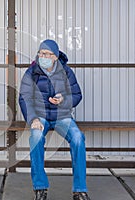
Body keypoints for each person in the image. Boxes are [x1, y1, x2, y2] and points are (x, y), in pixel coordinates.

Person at [19, 39, 91, 200]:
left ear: (56, 56)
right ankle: (40, 187)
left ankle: (79, 190)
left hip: (62, 116)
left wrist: (63, 100)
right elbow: (24, 98)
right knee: (36, 138)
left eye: (47, 54)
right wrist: (33, 119)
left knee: (78, 138)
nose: (43, 56)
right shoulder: (32, 72)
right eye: (41, 53)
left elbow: (77, 95)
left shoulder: (66, 71)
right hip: (40, 117)